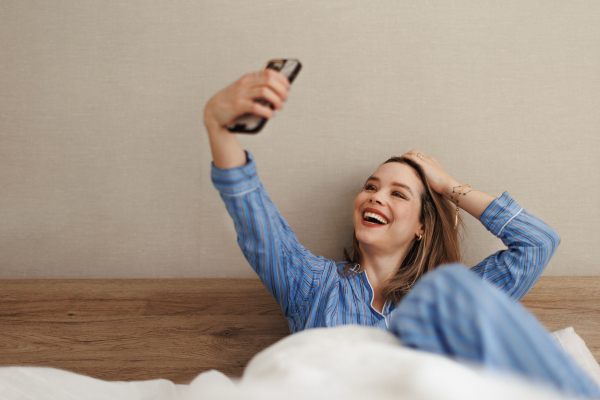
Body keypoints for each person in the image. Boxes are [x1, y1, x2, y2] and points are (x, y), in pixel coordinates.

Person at [203, 68, 600, 398]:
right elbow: (258, 222)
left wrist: (450, 187)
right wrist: (219, 129)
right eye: (371, 187)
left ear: (423, 226)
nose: (375, 198)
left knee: (449, 292)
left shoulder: (448, 303)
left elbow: (538, 243)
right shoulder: (313, 283)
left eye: (398, 193)